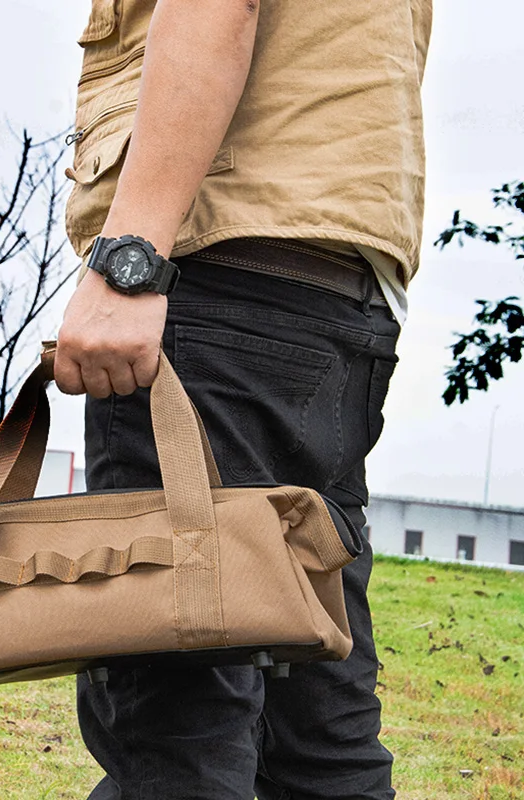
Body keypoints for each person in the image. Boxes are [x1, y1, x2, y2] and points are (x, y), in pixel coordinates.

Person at [53, 1, 432, 797]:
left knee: (177, 721)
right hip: (342, 298)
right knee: (315, 732)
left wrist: (130, 260)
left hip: (218, 286)